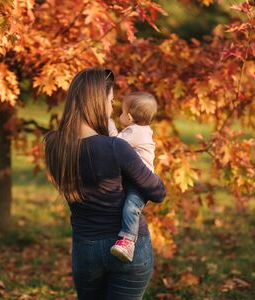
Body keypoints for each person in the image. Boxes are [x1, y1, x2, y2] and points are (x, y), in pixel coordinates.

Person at [44, 67, 166, 300]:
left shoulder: (54, 145)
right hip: (128, 248)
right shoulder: (115, 147)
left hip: (85, 248)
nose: (112, 108)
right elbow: (158, 191)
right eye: (110, 101)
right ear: (98, 102)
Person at [108, 92, 158, 263]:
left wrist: (108, 123)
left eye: (121, 112)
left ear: (129, 117)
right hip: (135, 180)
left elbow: (114, 144)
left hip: (141, 184)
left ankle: (128, 242)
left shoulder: (135, 132)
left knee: (131, 207)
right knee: (127, 205)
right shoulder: (141, 130)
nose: (119, 115)